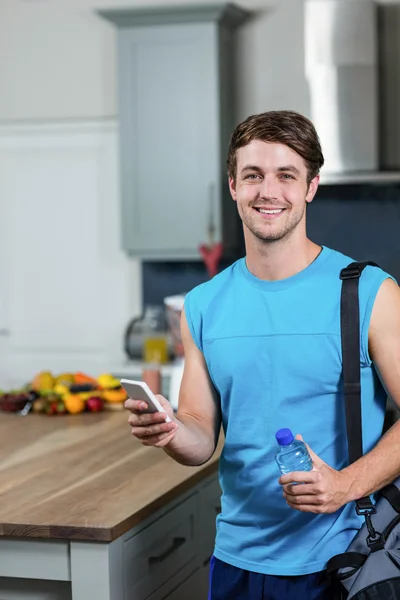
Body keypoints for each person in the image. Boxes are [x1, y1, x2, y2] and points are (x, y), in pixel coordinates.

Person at [125, 110, 400, 600]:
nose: (267, 191)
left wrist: (347, 485)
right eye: (252, 175)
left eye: (286, 175)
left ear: (311, 186)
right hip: (236, 561)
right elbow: (199, 436)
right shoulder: (203, 304)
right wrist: (168, 431)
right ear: (233, 186)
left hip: (345, 559)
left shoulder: (370, 293)